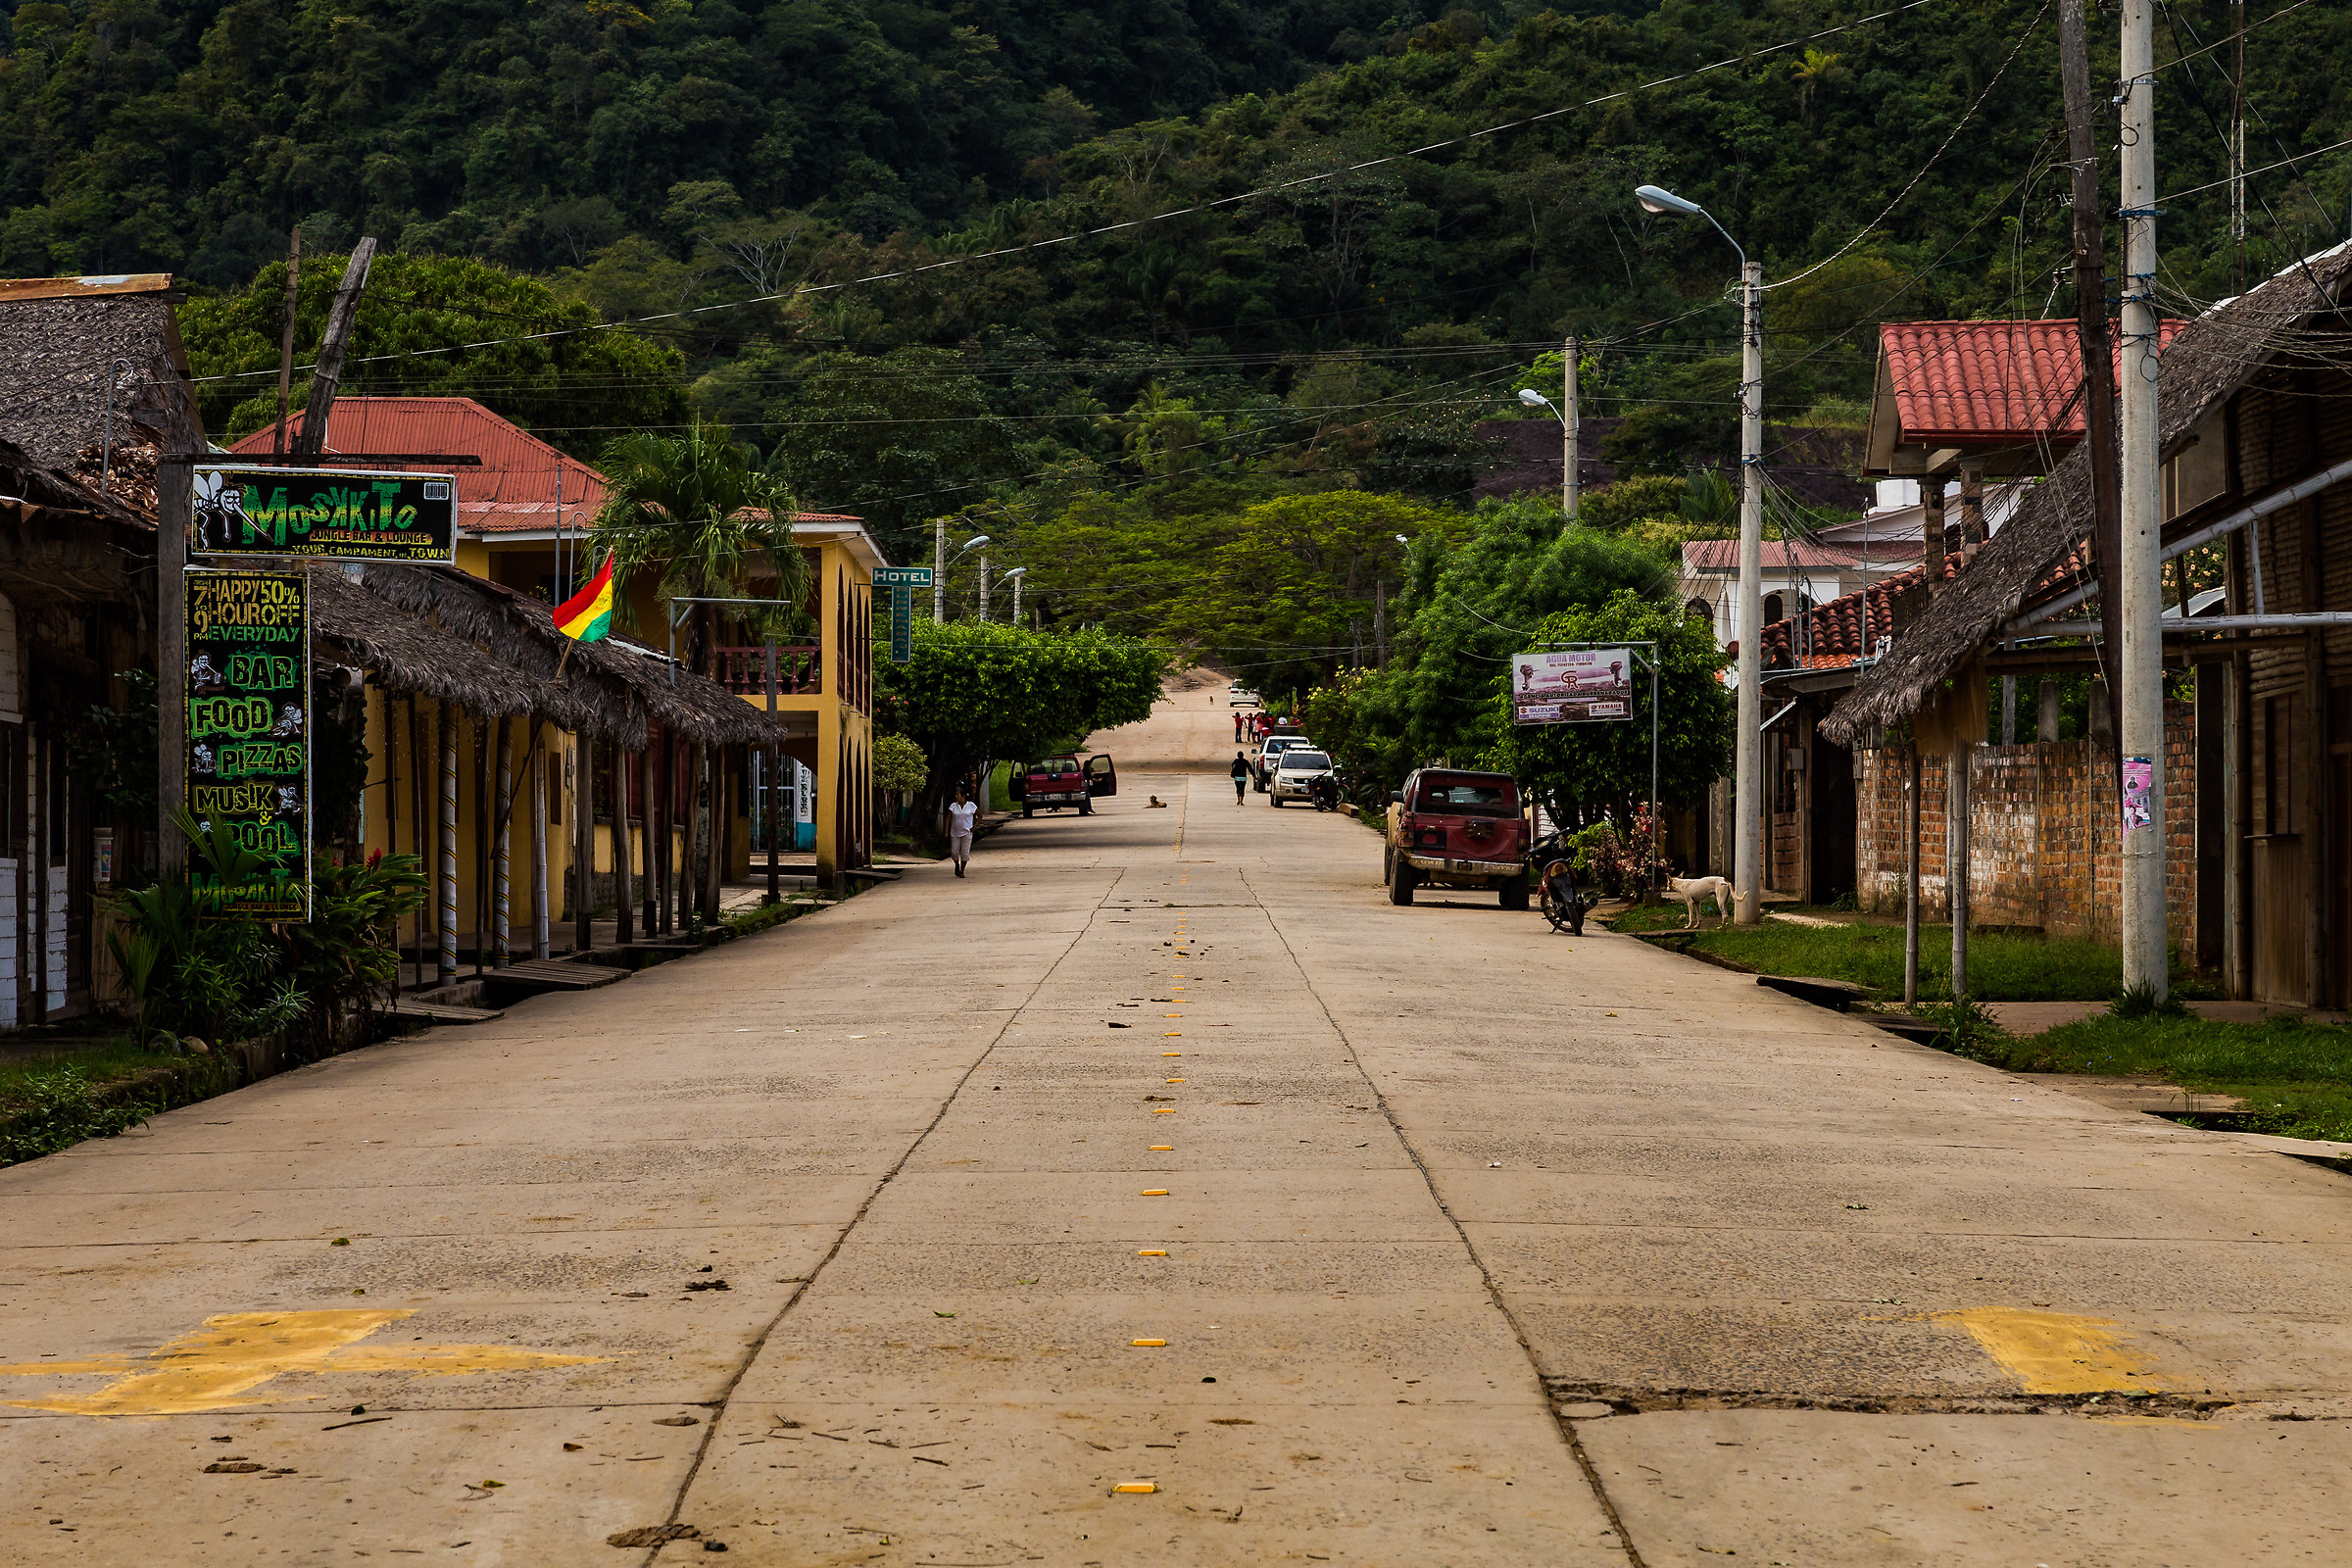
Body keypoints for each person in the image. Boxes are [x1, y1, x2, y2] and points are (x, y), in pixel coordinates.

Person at [946, 786, 979, 876]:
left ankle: (962, 871)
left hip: (967, 832)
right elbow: (948, 819)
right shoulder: (953, 806)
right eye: (956, 795)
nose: (956, 796)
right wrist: (946, 831)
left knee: (965, 852)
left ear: (963, 796)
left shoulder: (971, 805)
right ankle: (957, 864)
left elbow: (980, 816)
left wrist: (975, 826)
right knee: (954, 852)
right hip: (955, 832)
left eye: (958, 794)